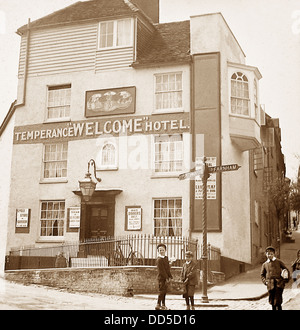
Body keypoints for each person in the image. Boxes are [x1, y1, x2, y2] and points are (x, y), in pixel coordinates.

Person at [260, 246, 290, 310]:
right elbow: (262, 275)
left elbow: (286, 270)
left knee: (278, 301)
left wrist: (284, 280)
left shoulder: (278, 262)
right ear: (266, 254)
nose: (270, 255)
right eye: (268, 254)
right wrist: (265, 281)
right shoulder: (265, 264)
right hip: (270, 284)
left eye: (271, 254)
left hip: (279, 283)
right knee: (272, 301)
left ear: (274, 254)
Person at [155, 243, 173, 310]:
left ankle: (163, 305)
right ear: (158, 251)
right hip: (161, 278)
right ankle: (158, 304)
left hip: (166, 277)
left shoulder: (166, 258)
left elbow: (167, 269)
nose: (161, 251)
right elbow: (161, 270)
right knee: (161, 291)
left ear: (165, 250)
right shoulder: (159, 260)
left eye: (163, 250)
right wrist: (166, 277)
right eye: (160, 250)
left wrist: (170, 276)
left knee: (164, 291)